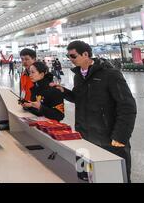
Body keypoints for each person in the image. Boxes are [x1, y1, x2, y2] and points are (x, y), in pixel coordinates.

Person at [50, 40, 137, 182]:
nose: (70, 60)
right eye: (68, 57)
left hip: (109, 139)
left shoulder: (110, 74)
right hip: (85, 136)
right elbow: (79, 99)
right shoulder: (79, 75)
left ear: (86, 54)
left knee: (116, 177)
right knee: (88, 176)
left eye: (73, 56)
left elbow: (127, 106)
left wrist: (121, 136)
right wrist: (64, 91)